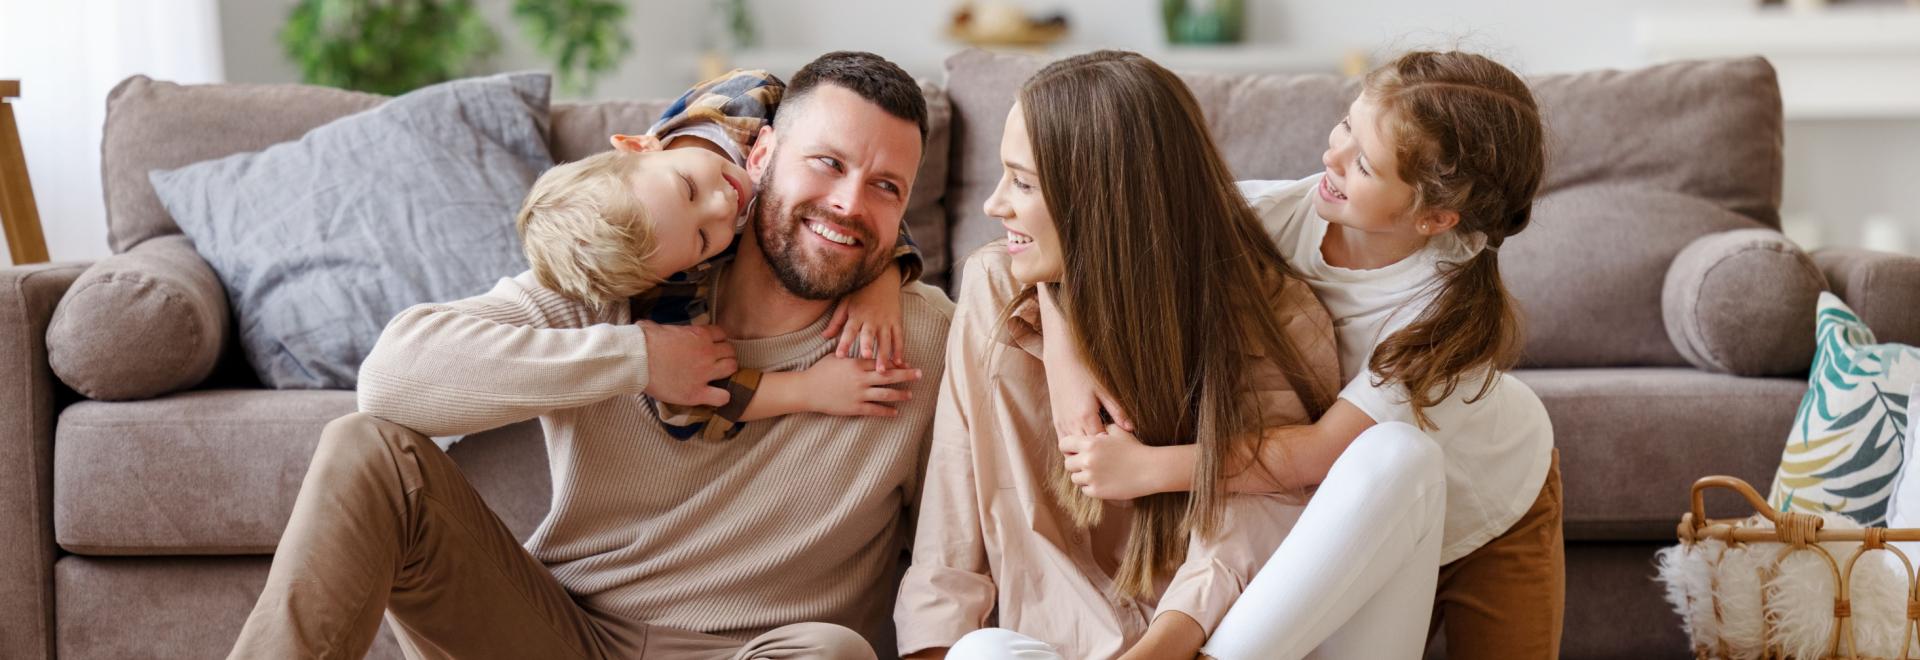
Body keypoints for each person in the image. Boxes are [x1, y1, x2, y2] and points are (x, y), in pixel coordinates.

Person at [228, 50, 953, 660]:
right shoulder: (630, 268)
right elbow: (391, 382)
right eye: (826, 163)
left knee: (832, 653)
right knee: (368, 452)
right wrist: (637, 357)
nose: (850, 204)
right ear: (759, 158)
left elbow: (968, 547)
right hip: (562, 636)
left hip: (757, 651)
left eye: (886, 188)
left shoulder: (924, 338)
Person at [892, 50, 1447, 660]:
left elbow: (1257, 514)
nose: (993, 205)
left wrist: (1161, 647)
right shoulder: (997, 287)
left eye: (1023, 183)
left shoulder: (1274, 308)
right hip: (1062, 644)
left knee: (1402, 453)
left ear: (1101, 199)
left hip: (1211, 640)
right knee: (982, 652)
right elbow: (953, 500)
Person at [1055, 50, 1563, 659]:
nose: (1332, 158)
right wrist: (1071, 361)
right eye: (1346, 126)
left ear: (1434, 216)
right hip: (1357, 512)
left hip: (1490, 502)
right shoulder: (1266, 217)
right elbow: (1062, 249)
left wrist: (1148, 467)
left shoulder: (1443, 314)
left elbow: (1321, 450)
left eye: (1365, 166)